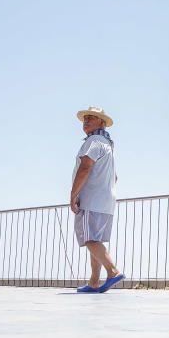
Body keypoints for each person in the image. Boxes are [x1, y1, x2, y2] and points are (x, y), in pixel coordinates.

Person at [71, 107, 124, 294]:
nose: (85, 121)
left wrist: (73, 195)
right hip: (107, 201)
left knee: (89, 238)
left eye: (91, 118)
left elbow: (85, 167)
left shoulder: (93, 141)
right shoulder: (108, 145)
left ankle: (113, 271)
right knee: (96, 240)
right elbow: (115, 177)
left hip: (91, 199)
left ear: (101, 122)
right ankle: (94, 282)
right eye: (85, 118)